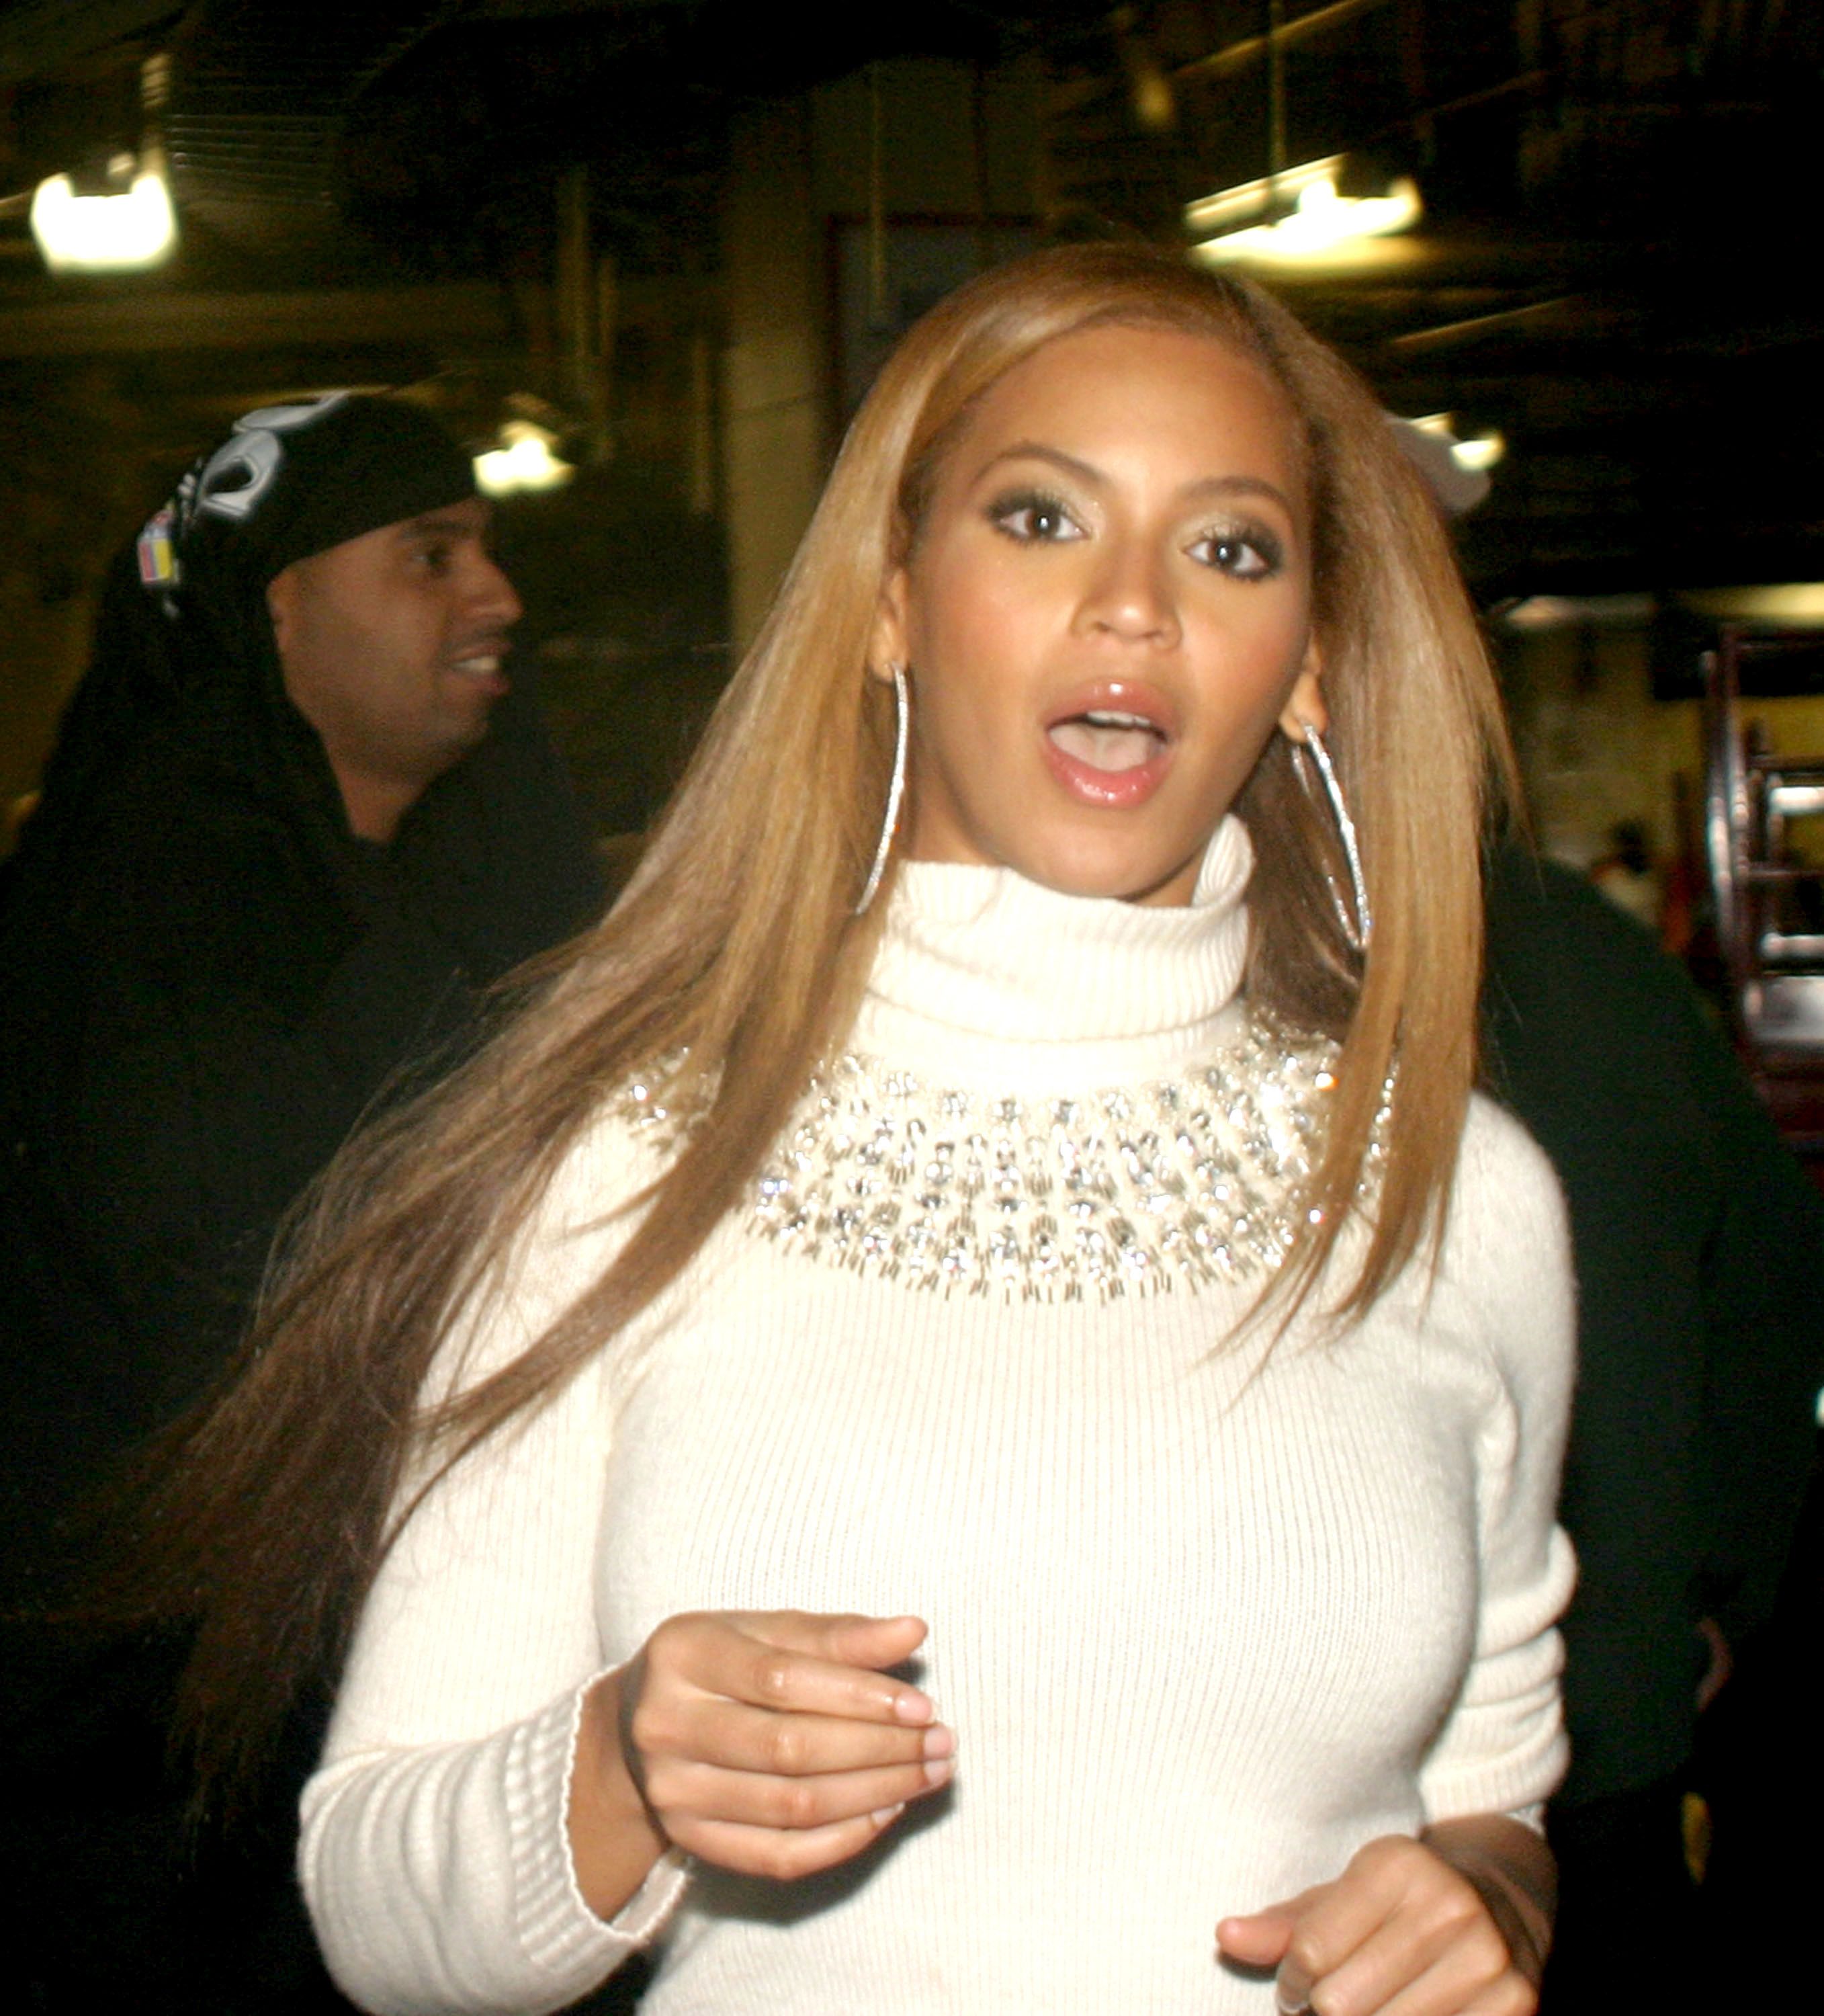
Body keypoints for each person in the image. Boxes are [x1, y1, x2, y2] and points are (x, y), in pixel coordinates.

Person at [132, 247, 1573, 2015]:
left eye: (1228, 547)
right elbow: (377, 1904)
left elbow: (1494, 1791)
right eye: (1040, 520)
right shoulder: (636, 1157)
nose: (1134, 606)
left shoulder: (1451, 1194)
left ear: (1309, 667)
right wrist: (621, 1769)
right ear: (890, 603)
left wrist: (1481, 1907)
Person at [0, 394, 602, 2012]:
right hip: (162, 1805)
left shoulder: (469, 881)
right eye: (428, 556)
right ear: (277, 609)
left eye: (485, 549)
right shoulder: (142, 938)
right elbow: (269, 1306)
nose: (497, 598)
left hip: (418, 1746)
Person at [1480, 846, 1824, 2013]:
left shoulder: (1279, 945)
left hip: (1407, 1765)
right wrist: (1723, 1591)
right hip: (1617, 1695)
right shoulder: (1588, 945)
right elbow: (1777, 1284)